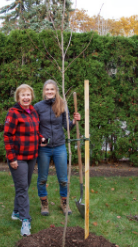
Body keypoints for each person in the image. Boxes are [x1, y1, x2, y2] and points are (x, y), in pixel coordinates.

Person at [34, 79, 81, 216]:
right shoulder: (38, 107)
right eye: (47, 89)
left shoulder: (62, 105)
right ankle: (44, 203)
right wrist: (39, 138)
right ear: (44, 91)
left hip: (60, 146)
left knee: (63, 179)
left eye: (52, 89)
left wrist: (74, 121)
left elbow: (67, 127)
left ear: (56, 91)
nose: (49, 91)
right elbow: (33, 127)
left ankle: (64, 203)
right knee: (42, 178)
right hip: (44, 148)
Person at [4, 84, 44, 237]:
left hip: (31, 156)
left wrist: (41, 138)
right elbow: (7, 136)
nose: (26, 97)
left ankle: (16, 211)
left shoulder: (33, 111)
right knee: (22, 188)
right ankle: (25, 220)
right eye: (23, 95)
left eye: (28, 95)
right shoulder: (13, 113)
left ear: (31, 96)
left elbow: (35, 131)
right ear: (18, 98)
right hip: (18, 158)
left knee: (24, 186)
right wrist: (12, 158)